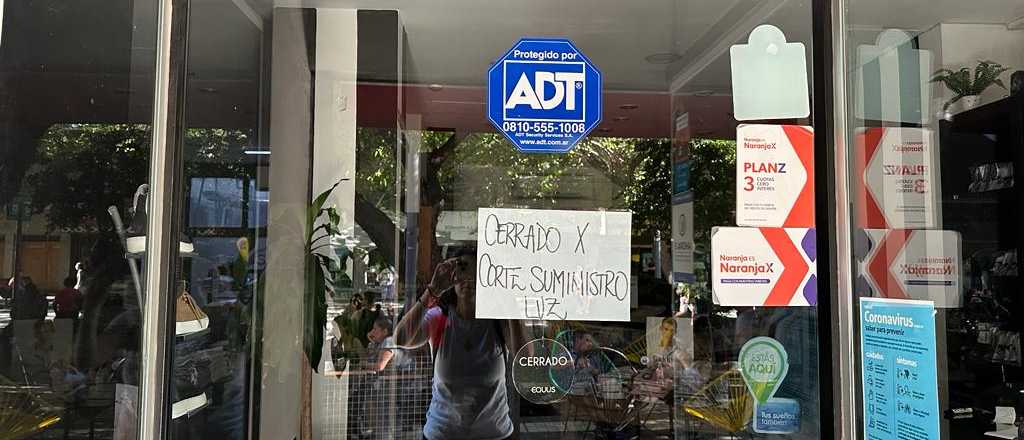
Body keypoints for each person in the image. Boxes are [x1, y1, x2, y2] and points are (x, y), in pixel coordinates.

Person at [395, 249, 530, 440]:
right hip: (442, 434)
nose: (469, 279)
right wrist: (432, 290)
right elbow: (401, 339)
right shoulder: (439, 318)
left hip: (494, 435)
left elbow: (525, 359)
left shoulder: (497, 321)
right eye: (463, 269)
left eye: (477, 272)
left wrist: (510, 302)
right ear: (452, 277)